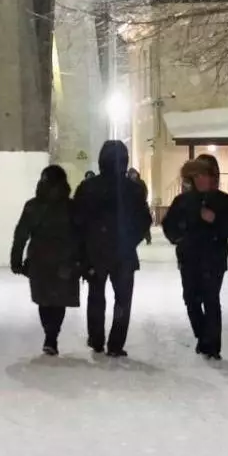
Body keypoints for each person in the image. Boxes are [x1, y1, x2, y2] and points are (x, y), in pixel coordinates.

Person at [74, 140, 153, 358]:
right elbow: (144, 220)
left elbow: (77, 220)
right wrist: (129, 240)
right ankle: (116, 343)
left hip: (95, 252)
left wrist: (86, 245)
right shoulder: (133, 189)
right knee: (123, 299)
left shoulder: (88, 187)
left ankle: (96, 338)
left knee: (96, 296)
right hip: (123, 253)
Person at [163, 158, 228, 360]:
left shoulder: (224, 201)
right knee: (190, 299)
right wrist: (178, 236)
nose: (201, 180)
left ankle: (212, 346)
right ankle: (203, 336)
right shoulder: (183, 201)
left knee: (211, 299)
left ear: (212, 177)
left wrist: (216, 220)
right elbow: (169, 225)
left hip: (213, 259)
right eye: (197, 176)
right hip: (189, 258)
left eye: (204, 175)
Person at [10, 165, 81, 356]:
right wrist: (81, 262)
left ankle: (49, 334)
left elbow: (21, 234)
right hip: (64, 262)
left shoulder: (33, 206)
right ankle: (52, 336)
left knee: (45, 300)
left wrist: (16, 259)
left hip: (39, 260)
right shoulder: (71, 206)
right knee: (59, 302)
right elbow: (80, 235)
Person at [127, 168, 153, 244]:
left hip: (141, 205)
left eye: (134, 174)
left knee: (144, 222)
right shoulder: (127, 183)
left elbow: (145, 191)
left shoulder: (141, 182)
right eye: (131, 174)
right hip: (131, 206)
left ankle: (148, 238)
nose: (133, 175)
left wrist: (142, 199)